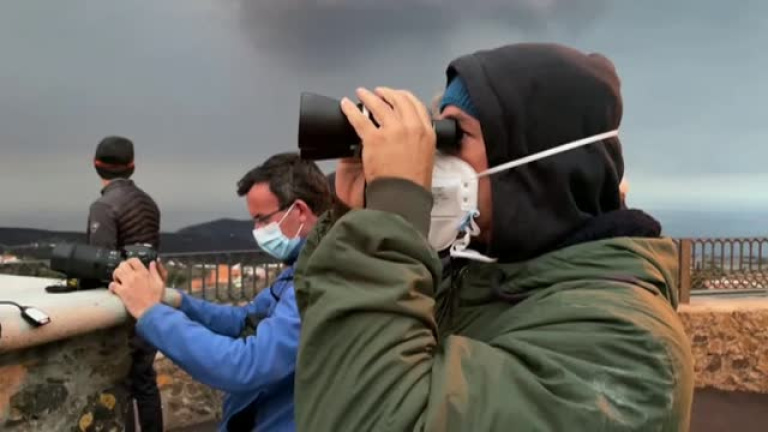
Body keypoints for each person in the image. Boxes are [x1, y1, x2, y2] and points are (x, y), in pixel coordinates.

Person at [291, 43, 694, 431]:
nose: (433, 156)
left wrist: (393, 216)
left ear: (539, 161)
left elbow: (370, 417)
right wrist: (356, 216)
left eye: (454, 135)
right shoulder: (474, 273)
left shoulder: (629, 348)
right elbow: (338, 360)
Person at [108, 153, 332, 431]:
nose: (257, 231)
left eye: (262, 220)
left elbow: (247, 365)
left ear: (299, 211)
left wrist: (150, 313)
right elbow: (245, 319)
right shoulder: (300, 269)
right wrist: (173, 300)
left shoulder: (322, 275)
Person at [88, 135, 163, 432]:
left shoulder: (103, 206)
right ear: (132, 166)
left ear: (96, 165)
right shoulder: (149, 203)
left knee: (121, 384)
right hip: (150, 301)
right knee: (145, 380)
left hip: (121, 305)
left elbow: (99, 264)